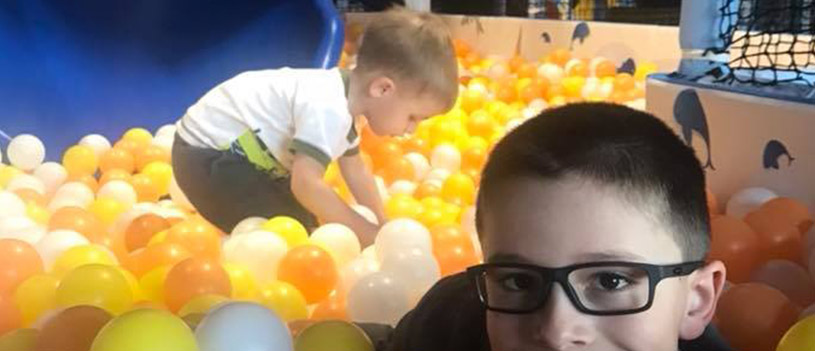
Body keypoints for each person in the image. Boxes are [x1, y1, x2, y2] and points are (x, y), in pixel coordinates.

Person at [368, 103, 731, 351]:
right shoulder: (444, 329)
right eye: (519, 280)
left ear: (696, 301)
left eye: (610, 281)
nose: (557, 332)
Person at [171, 7, 458, 245]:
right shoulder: (329, 107)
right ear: (383, 89)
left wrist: (381, 224)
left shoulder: (346, 100)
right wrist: (367, 233)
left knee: (307, 221)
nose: (412, 130)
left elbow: (356, 170)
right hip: (206, 155)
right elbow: (306, 184)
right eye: (413, 117)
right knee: (292, 234)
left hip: (228, 154)